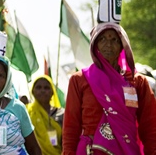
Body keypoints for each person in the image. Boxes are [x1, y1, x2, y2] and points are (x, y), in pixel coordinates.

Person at [62, 22, 156, 154]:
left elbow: (150, 127)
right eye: (102, 39)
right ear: (95, 45)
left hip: (126, 151)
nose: (108, 45)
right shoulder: (79, 80)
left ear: (122, 45)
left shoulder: (137, 82)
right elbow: (71, 127)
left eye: (114, 40)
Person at [27, 75, 63, 155]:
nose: (42, 91)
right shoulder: (26, 112)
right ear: (32, 91)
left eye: (46, 88)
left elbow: (66, 141)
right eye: (38, 87)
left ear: (53, 92)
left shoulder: (61, 114)